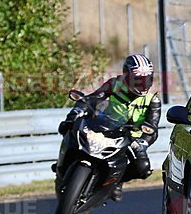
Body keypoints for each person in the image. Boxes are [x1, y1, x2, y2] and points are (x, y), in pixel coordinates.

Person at [58, 54, 162, 201]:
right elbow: (93, 99)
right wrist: (75, 114)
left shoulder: (153, 99)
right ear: (127, 76)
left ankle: (117, 182)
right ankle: (62, 165)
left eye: (146, 79)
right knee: (71, 128)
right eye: (138, 79)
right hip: (104, 126)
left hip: (129, 139)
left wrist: (142, 143)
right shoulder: (114, 84)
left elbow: (152, 129)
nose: (142, 84)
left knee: (143, 168)